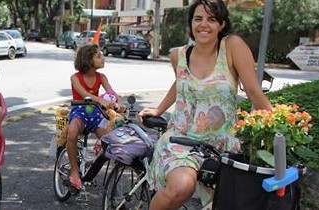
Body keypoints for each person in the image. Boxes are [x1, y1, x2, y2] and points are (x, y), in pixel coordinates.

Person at [138, 1, 272, 209]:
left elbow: (254, 92)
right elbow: (182, 82)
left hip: (221, 145)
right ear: (191, 23)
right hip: (181, 141)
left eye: (211, 19)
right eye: (198, 19)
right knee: (182, 186)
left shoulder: (232, 47)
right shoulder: (179, 55)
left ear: (222, 24)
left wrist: (279, 129)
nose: (204, 25)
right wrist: (158, 109)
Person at [66, 44, 126, 190]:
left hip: (95, 113)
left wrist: (119, 102)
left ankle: (97, 173)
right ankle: (74, 172)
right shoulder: (75, 77)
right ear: (88, 60)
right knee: (72, 132)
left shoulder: (102, 77)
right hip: (79, 111)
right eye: (99, 56)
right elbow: (83, 94)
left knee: (110, 141)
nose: (103, 57)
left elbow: (111, 93)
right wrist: (100, 100)